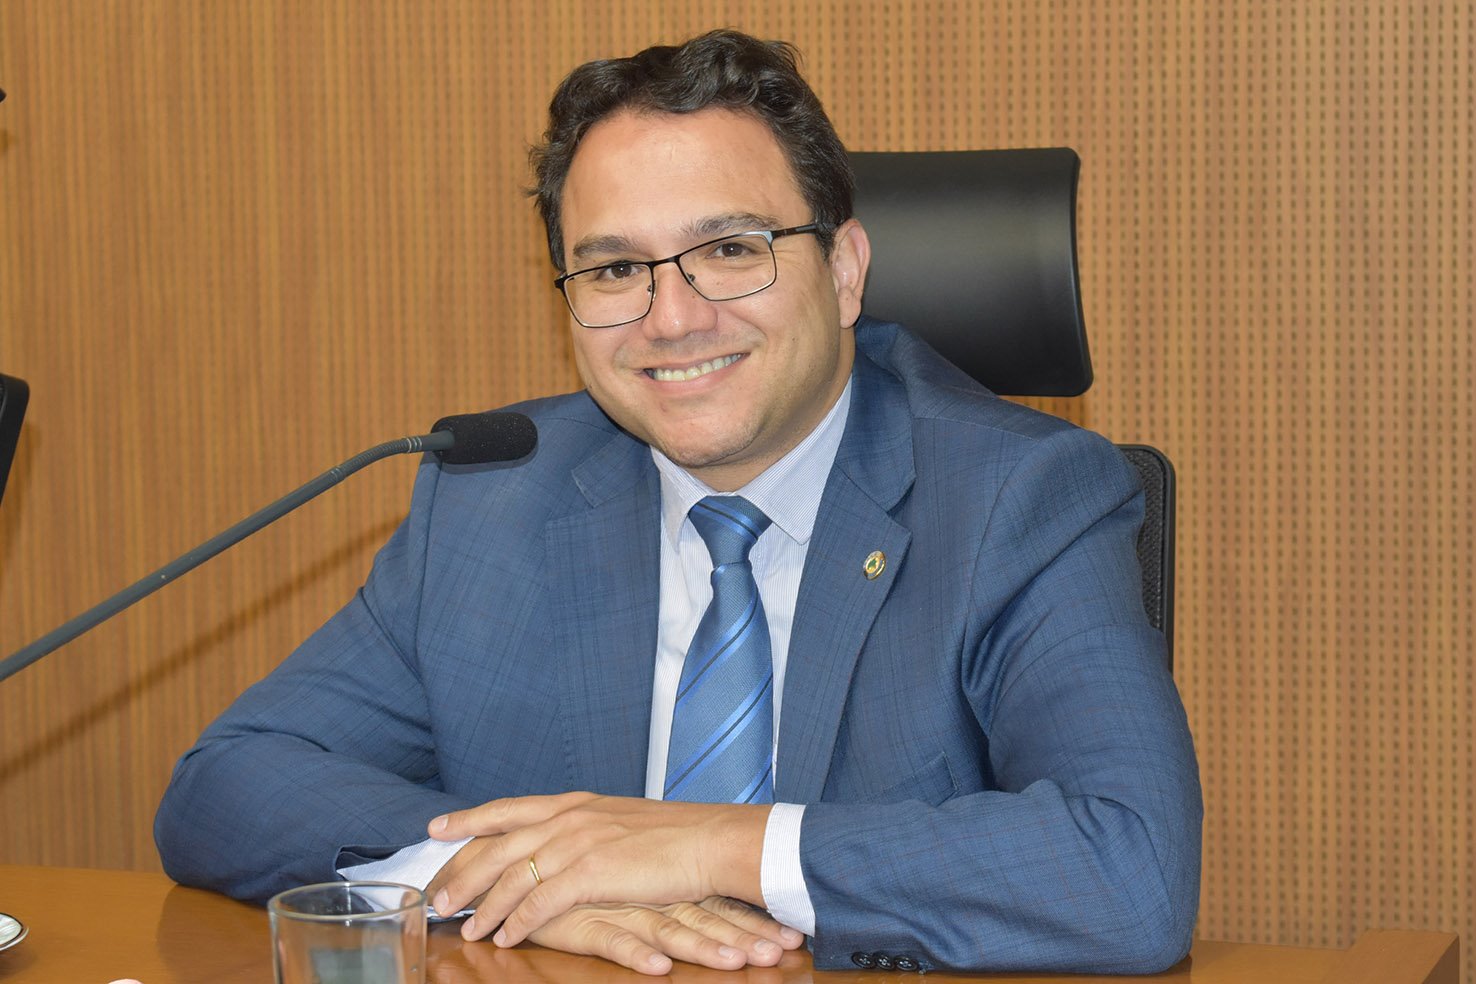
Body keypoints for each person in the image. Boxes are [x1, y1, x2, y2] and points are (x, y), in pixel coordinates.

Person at [155, 29, 1201, 976]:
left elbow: (1130, 872)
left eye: (730, 251)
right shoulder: (493, 498)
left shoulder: (1020, 498)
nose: (671, 319)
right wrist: (527, 876)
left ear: (844, 271)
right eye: (615, 269)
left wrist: (705, 846)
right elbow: (226, 786)